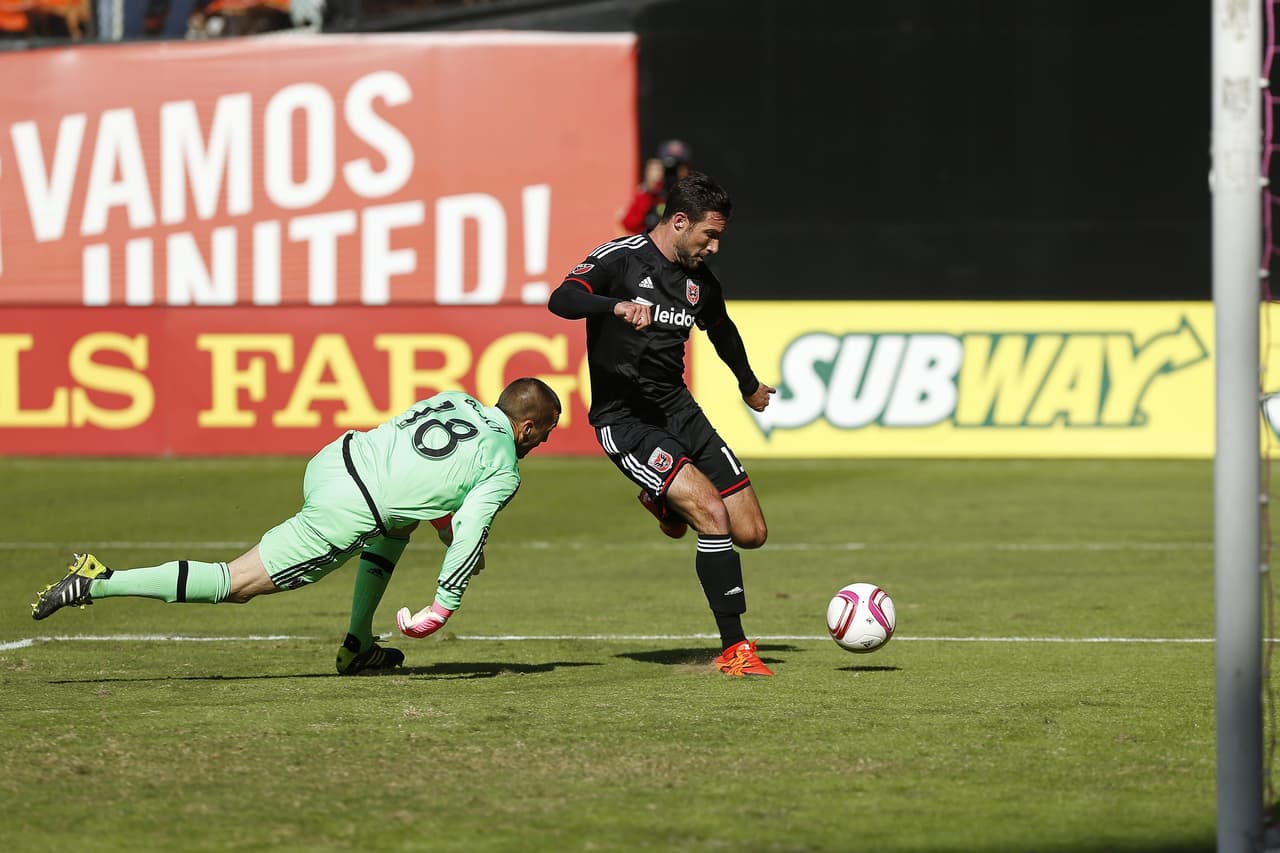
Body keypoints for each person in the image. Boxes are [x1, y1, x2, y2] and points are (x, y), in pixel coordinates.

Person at [30, 377, 562, 675]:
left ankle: (357, 647)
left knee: (396, 524)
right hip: (348, 508)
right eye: (545, 433)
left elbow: (424, 483)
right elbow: (469, 528)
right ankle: (97, 581)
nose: (543, 443)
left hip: (336, 458)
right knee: (231, 584)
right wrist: (444, 604)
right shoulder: (504, 467)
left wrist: (443, 528)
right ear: (526, 425)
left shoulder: (454, 398)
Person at [548, 171, 778, 677]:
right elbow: (561, 299)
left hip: (679, 410)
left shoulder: (698, 282)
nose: (715, 246)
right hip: (625, 418)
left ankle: (658, 496)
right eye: (709, 235)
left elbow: (721, 329)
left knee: (752, 532)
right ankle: (735, 651)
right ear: (679, 221)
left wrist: (748, 384)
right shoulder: (621, 257)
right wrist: (614, 305)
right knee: (712, 516)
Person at [619, 139, 693, 235]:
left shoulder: (692, 193)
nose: (672, 173)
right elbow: (630, 224)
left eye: (677, 168)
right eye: (668, 168)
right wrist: (647, 189)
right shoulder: (654, 193)